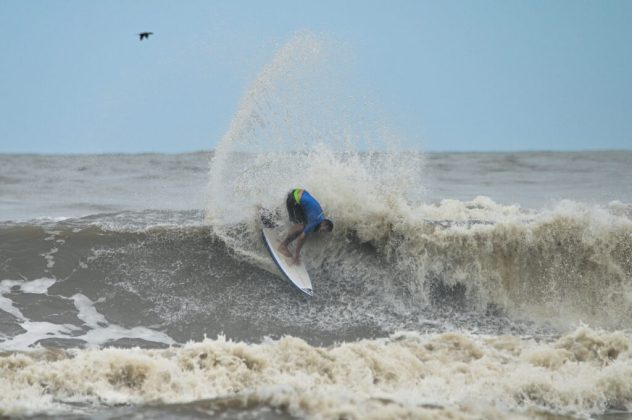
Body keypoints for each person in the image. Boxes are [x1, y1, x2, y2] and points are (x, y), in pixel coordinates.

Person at [278, 188, 333, 265]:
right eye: (324, 230)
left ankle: (275, 222)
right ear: (323, 224)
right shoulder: (315, 220)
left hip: (299, 192)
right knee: (300, 227)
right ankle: (282, 246)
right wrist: (296, 255)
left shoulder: (321, 217)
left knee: (299, 223)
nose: (322, 232)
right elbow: (301, 238)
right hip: (294, 200)